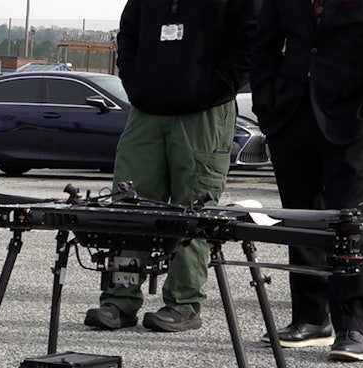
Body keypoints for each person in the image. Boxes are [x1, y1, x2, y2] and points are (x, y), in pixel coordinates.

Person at [84, 0, 257, 333]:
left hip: (204, 112)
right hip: (146, 110)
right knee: (127, 204)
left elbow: (250, 39)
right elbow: (129, 34)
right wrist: (136, 84)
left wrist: (217, 86)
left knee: (193, 208)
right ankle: (119, 300)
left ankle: (183, 304)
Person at [250, 0, 363, 362]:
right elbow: (264, 45)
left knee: (353, 224)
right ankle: (310, 318)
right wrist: (265, 101)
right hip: (291, 115)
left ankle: (353, 325)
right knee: (300, 220)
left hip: (355, 121)